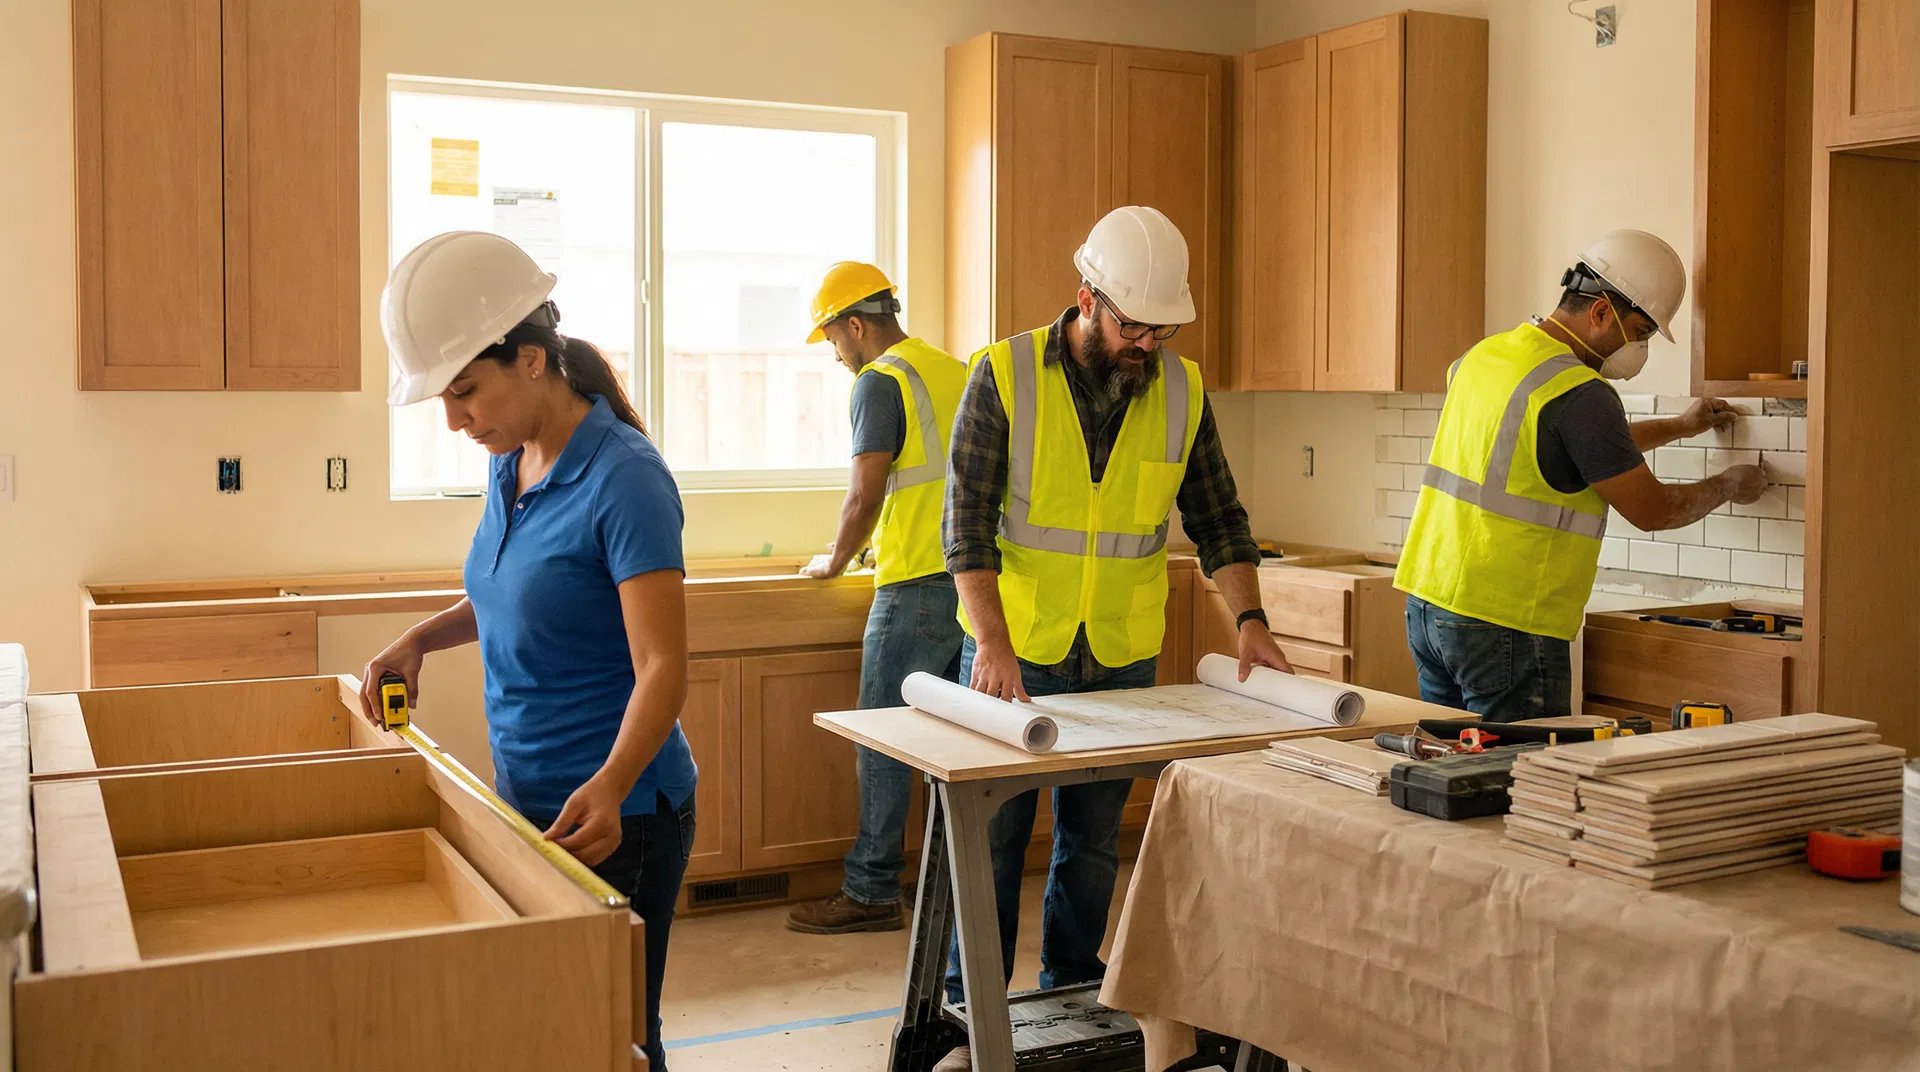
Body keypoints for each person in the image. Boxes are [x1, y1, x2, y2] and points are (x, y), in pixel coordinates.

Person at [934, 206, 1293, 1072]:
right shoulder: (1004, 374)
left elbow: (1218, 519)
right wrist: (991, 641)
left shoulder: (1180, 387)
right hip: (1015, 648)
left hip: (1122, 652)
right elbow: (966, 526)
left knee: (1094, 839)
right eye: (1134, 326)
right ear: (1085, 298)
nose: (1148, 345)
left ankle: (1070, 997)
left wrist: (1250, 622)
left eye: (1161, 329)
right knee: (989, 837)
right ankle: (964, 1000)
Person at [360, 231, 695, 1070]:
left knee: (616, 1032)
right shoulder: (509, 462)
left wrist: (614, 785)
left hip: (623, 815)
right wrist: (421, 639)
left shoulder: (626, 479)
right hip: (530, 796)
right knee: (556, 1022)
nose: (454, 418)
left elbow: (664, 666)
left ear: (533, 359)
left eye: (467, 391)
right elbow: (513, 592)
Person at [1394, 228, 1770, 722]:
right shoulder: (1581, 392)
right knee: (1521, 781)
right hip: (1508, 621)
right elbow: (1652, 510)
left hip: (1430, 605)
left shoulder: (1484, 357)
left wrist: (1681, 427)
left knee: (1450, 776)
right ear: (1599, 313)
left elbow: (1560, 451)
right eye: (1640, 333)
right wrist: (1729, 485)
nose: (1640, 349)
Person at [786, 263, 970, 935]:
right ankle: (948, 887)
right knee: (952, 748)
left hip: (916, 585)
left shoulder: (879, 380)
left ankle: (869, 892)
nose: (837, 355)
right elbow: (934, 485)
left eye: (834, 340)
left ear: (856, 326)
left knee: (884, 737)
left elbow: (866, 491)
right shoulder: (955, 370)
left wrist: (836, 559)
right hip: (975, 585)